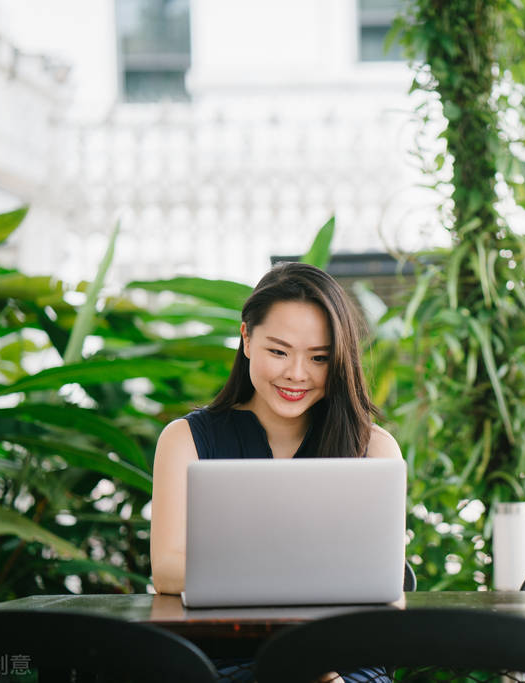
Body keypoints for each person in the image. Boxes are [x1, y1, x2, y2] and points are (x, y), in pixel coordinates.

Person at [150, 261, 401, 682]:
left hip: (343, 657)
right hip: (227, 658)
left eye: (319, 358)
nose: (296, 374)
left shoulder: (373, 448)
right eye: (279, 351)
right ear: (246, 338)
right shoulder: (185, 441)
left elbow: (381, 579)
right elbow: (168, 570)